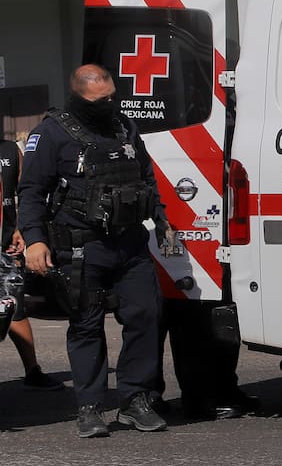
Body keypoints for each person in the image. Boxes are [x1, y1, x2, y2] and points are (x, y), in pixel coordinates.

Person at [19, 65, 169, 438]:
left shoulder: (124, 127)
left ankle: (136, 400)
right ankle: (90, 407)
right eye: (98, 101)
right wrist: (35, 239)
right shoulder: (51, 133)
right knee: (86, 325)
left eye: (111, 97)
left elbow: (145, 177)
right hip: (81, 247)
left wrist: (162, 222)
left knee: (147, 316)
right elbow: (32, 191)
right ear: (77, 97)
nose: (108, 105)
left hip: (130, 244)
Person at [1, 137, 66, 390]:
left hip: (5, 243)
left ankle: (33, 371)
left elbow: (26, 192)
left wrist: (20, 230)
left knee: (13, 307)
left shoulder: (10, 150)